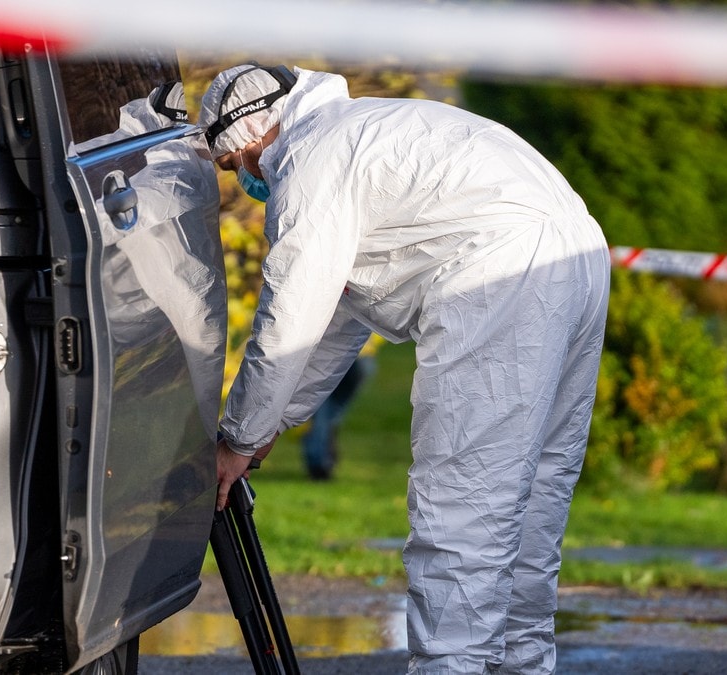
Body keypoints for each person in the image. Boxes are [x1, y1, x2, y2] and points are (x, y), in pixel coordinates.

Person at [202, 63, 610, 674]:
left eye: (237, 164)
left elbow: (290, 319)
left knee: (463, 511)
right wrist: (266, 427)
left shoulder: (313, 160)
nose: (248, 179)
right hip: (578, 253)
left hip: (499, 273)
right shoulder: (361, 131)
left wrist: (235, 438)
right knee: (529, 510)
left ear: (251, 135)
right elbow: (333, 325)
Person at [300, 333, 383, 480]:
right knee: (330, 408)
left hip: (326, 353)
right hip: (362, 354)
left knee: (322, 406)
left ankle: (319, 461)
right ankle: (325, 449)